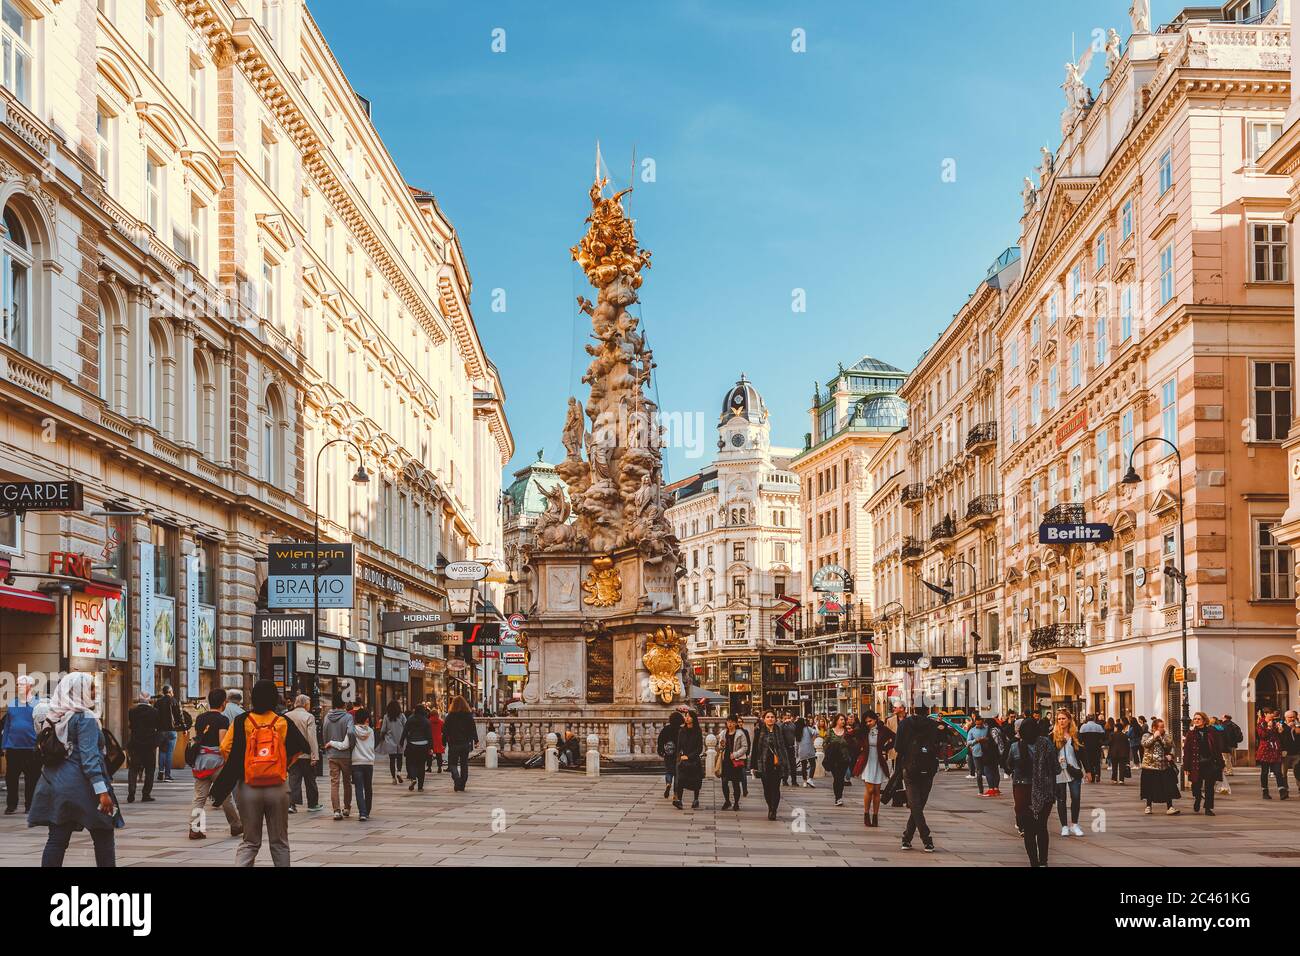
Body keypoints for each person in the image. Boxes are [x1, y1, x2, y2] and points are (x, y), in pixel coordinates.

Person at [210, 679, 309, 867]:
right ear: (275, 698)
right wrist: (282, 765)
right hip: (277, 787)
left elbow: (224, 748)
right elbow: (300, 748)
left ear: (253, 697)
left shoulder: (242, 721)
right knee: (279, 843)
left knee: (250, 842)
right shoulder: (282, 721)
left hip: (248, 786)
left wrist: (245, 762)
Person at [27, 673, 122, 867]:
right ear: (78, 691)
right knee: (103, 833)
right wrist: (102, 792)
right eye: (92, 688)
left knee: (57, 838)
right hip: (82, 786)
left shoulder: (54, 714)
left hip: (54, 784)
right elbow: (89, 759)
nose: (95, 692)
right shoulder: (85, 716)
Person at [189, 688, 242, 840]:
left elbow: (197, 739)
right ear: (223, 702)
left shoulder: (200, 718)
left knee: (199, 797)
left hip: (201, 762)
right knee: (225, 795)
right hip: (217, 762)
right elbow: (223, 743)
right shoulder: (222, 720)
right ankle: (236, 825)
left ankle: (195, 828)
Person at [1003, 716, 1057, 867]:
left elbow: (1008, 766)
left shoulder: (1015, 747)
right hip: (1044, 790)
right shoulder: (1045, 743)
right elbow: (1055, 767)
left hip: (1023, 790)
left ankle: (1034, 862)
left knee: (1028, 830)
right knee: (1041, 827)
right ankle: (1043, 862)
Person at [892, 706, 939, 852]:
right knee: (918, 805)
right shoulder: (933, 725)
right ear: (928, 711)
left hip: (909, 767)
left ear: (913, 709)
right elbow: (939, 746)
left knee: (915, 805)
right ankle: (909, 838)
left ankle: (923, 839)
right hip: (928, 768)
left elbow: (898, 747)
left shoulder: (904, 724)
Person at [325, 708, 375, 821]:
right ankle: (367, 811)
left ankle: (362, 813)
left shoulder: (353, 731)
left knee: (359, 788)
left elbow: (344, 745)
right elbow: (372, 747)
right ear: (367, 719)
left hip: (357, 763)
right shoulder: (371, 731)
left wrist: (331, 743)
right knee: (368, 788)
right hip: (369, 763)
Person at [1, 674, 40, 815]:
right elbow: (7, 725)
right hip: (13, 747)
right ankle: (11, 805)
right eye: (17, 684)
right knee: (11, 778)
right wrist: (4, 745)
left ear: (30, 686)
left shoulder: (38, 704)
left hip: (32, 748)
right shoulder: (12, 704)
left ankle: (30, 805)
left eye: (22, 684)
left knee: (32, 778)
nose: (19, 687)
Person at [853, 710, 894, 827]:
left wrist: (886, 748)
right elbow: (849, 736)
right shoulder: (863, 731)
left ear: (875, 719)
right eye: (866, 722)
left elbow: (895, 737)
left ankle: (875, 816)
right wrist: (858, 748)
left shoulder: (883, 730)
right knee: (870, 790)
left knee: (876, 791)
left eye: (870, 721)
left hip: (878, 760)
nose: (868, 723)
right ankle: (866, 814)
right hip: (866, 760)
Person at [750, 710, 792, 820]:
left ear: (775, 718)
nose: (770, 719)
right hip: (764, 764)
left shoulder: (780, 730)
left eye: (772, 717)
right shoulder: (759, 731)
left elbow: (785, 747)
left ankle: (773, 810)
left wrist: (787, 763)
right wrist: (753, 766)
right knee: (767, 788)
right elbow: (755, 749)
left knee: (776, 788)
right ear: (764, 719)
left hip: (777, 764)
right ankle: (770, 806)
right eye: (768, 717)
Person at [284, 695, 321, 813]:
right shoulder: (309, 717)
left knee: (294, 779)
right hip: (305, 753)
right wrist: (314, 755)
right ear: (305, 704)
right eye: (309, 703)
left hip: (291, 754)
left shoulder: (286, 716)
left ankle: (292, 804)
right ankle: (312, 804)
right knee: (310, 779)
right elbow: (312, 737)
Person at [1052, 709, 1085, 838]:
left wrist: (1088, 770)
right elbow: (1049, 754)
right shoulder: (1053, 736)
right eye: (1059, 719)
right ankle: (1064, 826)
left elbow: (1083, 753)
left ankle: (1075, 824)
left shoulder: (1076, 735)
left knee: (1076, 798)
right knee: (1061, 799)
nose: (1061, 721)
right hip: (1059, 771)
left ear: (1069, 720)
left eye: (1063, 718)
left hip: (1074, 770)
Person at [1183, 712, 1224, 816]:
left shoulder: (1212, 732)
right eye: (1195, 719)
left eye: (1198, 719)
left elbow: (1217, 748)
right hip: (1196, 763)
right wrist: (1186, 766)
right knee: (1196, 785)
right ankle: (1197, 798)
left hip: (1210, 763)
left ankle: (1208, 808)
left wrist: (1221, 763)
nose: (1196, 721)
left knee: (1209, 787)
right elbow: (1187, 751)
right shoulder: (1191, 734)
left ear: (1204, 720)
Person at [1139, 717, 1181, 815]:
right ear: (1154, 728)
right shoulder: (1146, 735)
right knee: (1149, 787)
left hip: (1164, 766)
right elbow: (1145, 744)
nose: (1163, 729)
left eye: (1163, 727)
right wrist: (1154, 737)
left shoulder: (1166, 736)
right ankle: (1148, 806)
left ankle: (1170, 807)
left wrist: (1171, 755)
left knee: (1167, 786)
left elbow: (1171, 747)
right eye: (1160, 727)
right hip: (1149, 766)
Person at [125, 692, 160, 803]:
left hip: (136, 743)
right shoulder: (154, 712)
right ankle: (146, 794)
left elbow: (131, 726)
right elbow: (157, 727)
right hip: (149, 745)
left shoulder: (132, 711)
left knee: (133, 769)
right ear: (149, 699)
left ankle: (131, 791)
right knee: (150, 770)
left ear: (139, 699)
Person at [322, 699, 355, 819]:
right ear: (344, 705)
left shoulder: (327, 717)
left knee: (334, 782)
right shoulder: (348, 717)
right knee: (347, 782)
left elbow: (324, 733)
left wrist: (327, 747)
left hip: (332, 754)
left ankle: (336, 810)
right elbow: (351, 732)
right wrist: (351, 746)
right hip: (345, 754)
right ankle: (346, 808)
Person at [154, 684, 190, 782]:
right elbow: (180, 715)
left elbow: (155, 716)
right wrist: (184, 728)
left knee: (162, 751)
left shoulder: (158, 702)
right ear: (170, 692)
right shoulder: (174, 701)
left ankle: (160, 772)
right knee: (169, 753)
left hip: (160, 730)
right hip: (172, 730)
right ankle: (167, 775)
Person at [443, 695, 478, 792]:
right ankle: (462, 784)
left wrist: (443, 742)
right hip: (465, 743)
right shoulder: (468, 715)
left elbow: (445, 730)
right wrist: (476, 740)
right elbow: (472, 728)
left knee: (452, 764)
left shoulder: (450, 716)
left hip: (453, 743)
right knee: (464, 764)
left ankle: (457, 779)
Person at [672, 710, 704, 810]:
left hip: (694, 760)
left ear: (693, 719)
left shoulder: (698, 731)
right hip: (683, 760)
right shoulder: (682, 731)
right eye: (686, 716)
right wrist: (679, 756)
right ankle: (679, 801)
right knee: (680, 779)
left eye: (689, 716)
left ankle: (696, 799)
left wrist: (689, 756)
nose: (686, 718)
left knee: (695, 780)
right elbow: (679, 746)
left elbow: (699, 748)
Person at [716, 715, 748, 811]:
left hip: (735, 761)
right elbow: (720, 746)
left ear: (735, 723)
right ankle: (727, 801)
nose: (730, 724)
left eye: (732, 722)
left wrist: (735, 754)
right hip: (725, 761)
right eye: (728, 722)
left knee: (735, 783)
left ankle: (736, 803)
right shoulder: (723, 733)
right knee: (724, 782)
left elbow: (745, 747)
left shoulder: (740, 733)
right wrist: (721, 746)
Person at [822, 714, 852, 806]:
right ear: (837, 720)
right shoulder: (830, 731)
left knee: (841, 778)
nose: (843, 721)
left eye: (844, 720)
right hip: (834, 759)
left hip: (844, 758)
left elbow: (851, 743)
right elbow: (825, 743)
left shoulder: (847, 731)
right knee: (836, 778)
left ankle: (839, 797)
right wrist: (829, 750)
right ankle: (837, 797)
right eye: (841, 719)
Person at [1256, 708, 1286, 799]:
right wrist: (1269, 727)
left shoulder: (1276, 722)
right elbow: (1262, 736)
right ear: (1265, 714)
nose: (1272, 716)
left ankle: (1282, 791)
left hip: (1275, 750)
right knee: (1264, 772)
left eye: (1273, 714)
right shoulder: (1261, 724)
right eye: (1270, 714)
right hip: (1265, 750)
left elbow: (1282, 736)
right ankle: (1265, 791)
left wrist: (1281, 731)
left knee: (1278, 772)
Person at [400, 705, 432, 791]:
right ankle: (420, 787)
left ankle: (413, 778)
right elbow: (429, 735)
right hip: (423, 745)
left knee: (412, 763)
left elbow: (405, 731)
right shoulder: (426, 721)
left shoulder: (410, 719)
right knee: (421, 765)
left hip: (412, 744)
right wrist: (430, 747)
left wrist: (402, 741)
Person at [657, 711, 684, 799]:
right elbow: (684, 742)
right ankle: (675, 794)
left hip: (668, 753)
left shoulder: (666, 729)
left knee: (668, 771)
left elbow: (660, 740)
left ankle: (668, 783)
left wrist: (661, 750)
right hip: (677, 754)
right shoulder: (681, 730)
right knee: (677, 774)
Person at [379, 700, 406, 784]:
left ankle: (393, 778)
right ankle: (399, 772)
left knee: (392, 760)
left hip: (390, 740)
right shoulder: (401, 716)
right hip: (400, 740)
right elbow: (406, 726)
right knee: (399, 758)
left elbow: (383, 729)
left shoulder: (386, 717)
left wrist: (381, 738)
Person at [1079, 714, 1106, 783]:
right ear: (1094, 719)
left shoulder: (1083, 726)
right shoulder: (1099, 727)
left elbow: (1080, 738)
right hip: (1097, 747)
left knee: (1089, 761)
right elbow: (1103, 737)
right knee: (1097, 762)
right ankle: (1097, 774)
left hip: (1087, 747)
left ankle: (1092, 776)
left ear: (1087, 719)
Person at [1219, 713, 1243, 784]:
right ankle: (1228, 770)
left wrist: (1224, 744)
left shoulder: (1225, 725)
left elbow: (1226, 736)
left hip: (1226, 744)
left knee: (1226, 758)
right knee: (1228, 757)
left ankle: (1229, 771)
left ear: (1225, 718)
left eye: (1222, 717)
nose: (1221, 717)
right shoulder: (1232, 724)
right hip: (1232, 744)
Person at [1107, 719, 1132, 784]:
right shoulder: (1125, 736)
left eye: (1115, 727)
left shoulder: (1112, 735)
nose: (1114, 728)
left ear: (1117, 728)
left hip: (1114, 753)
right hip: (1123, 754)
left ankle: (1114, 779)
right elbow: (1127, 746)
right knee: (1122, 767)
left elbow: (1109, 743)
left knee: (1114, 767)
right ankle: (1121, 780)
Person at [794, 716, 817, 788]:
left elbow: (796, 744)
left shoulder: (797, 731)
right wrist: (812, 740)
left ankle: (804, 781)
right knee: (813, 764)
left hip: (801, 751)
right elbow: (816, 732)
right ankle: (810, 779)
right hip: (809, 749)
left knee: (803, 766)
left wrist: (796, 753)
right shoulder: (807, 728)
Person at [1282, 710, 1300, 795]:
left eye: (1293, 717)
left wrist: (1297, 727)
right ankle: (1285, 789)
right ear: (1285, 718)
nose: (1292, 719)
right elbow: (1281, 737)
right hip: (1285, 754)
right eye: (1290, 717)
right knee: (1283, 773)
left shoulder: (1298, 725)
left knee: (1298, 772)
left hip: (1296, 753)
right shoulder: (1282, 725)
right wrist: (1287, 728)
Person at [778, 713, 798, 787]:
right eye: (786, 717)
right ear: (783, 718)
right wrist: (783, 723)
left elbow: (796, 732)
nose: (788, 718)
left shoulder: (793, 725)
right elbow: (779, 731)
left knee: (793, 764)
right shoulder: (781, 725)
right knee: (785, 764)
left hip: (791, 747)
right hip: (784, 747)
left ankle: (794, 781)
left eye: (789, 716)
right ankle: (785, 780)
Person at [428, 708, 446, 774]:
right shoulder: (441, 722)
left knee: (429, 754)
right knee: (439, 754)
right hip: (438, 739)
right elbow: (443, 731)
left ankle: (429, 767)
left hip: (431, 739)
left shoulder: (428, 721)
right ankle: (439, 767)